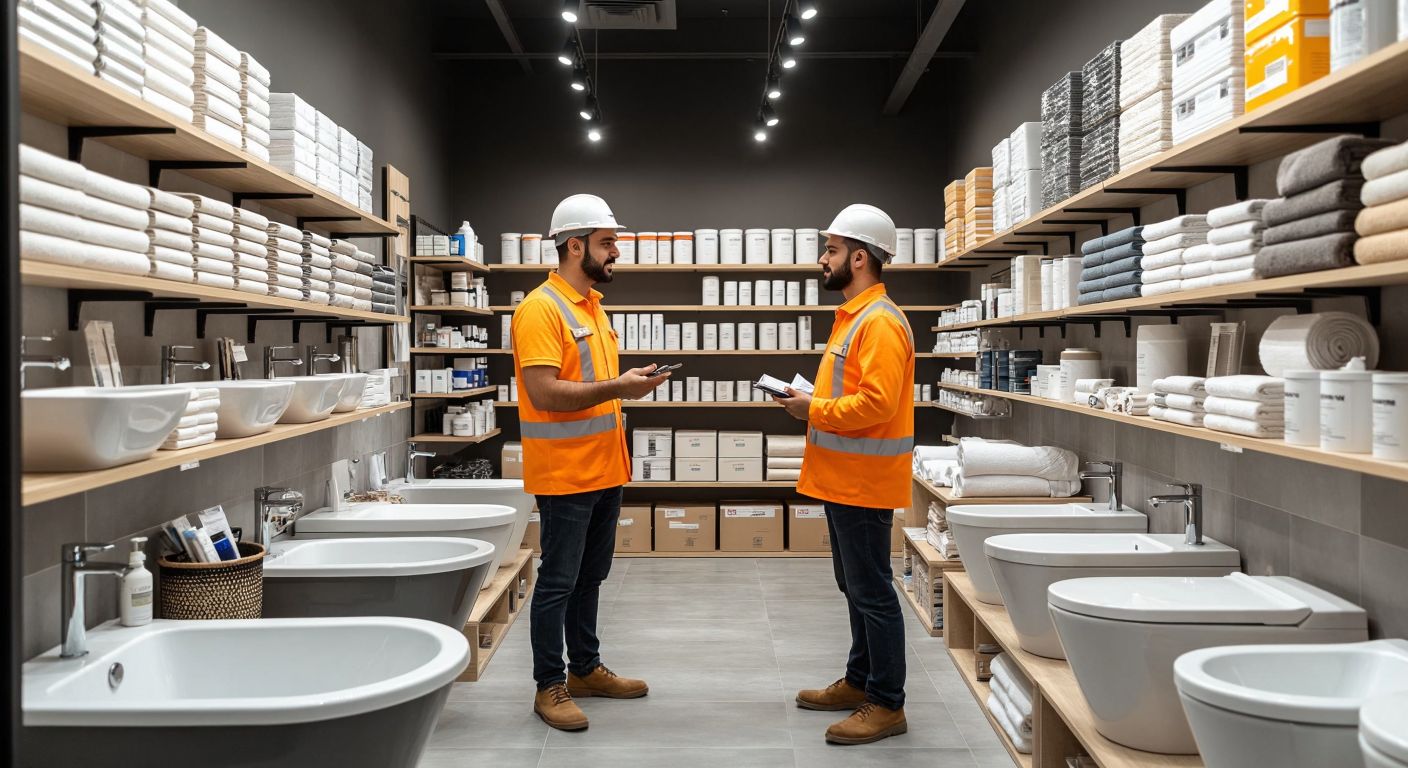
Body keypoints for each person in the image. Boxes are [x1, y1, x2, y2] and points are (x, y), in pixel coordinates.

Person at [511, 193, 670, 731]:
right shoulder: (541, 309)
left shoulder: (593, 308)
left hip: (604, 468)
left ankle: (584, 669)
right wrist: (619, 387)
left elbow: (593, 389)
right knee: (557, 580)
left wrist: (625, 385)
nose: (616, 251)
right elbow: (544, 392)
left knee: (590, 576)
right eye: (607, 242)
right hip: (565, 473)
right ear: (574, 246)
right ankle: (548, 685)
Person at [772, 203, 916, 745]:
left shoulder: (879, 322)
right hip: (844, 476)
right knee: (855, 587)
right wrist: (812, 400)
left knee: (872, 592)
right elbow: (852, 395)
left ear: (859, 258)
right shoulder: (855, 318)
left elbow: (876, 405)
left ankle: (887, 703)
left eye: (831, 250)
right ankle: (860, 681)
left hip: (863, 480)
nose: (822, 258)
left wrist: (811, 408)